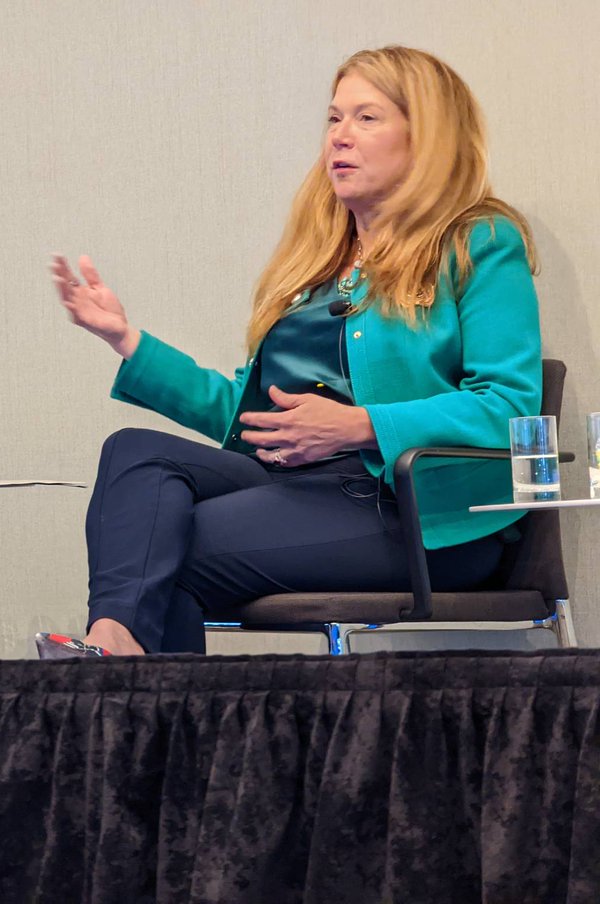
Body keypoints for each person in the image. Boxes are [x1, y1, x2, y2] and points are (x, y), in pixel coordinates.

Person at [40, 46, 541, 658]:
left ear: (427, 136)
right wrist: (126, 339)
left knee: (163, 549)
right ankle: (116, 650)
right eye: (334, 119)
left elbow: (511, 408)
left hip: (416, 515)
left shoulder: (480, 241)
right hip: (299, 486)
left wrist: (357, 426)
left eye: (367, 118)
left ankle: (126, 687)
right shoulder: (322, 267)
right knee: (133, 454)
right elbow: (252, 414)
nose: (341, 137)